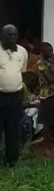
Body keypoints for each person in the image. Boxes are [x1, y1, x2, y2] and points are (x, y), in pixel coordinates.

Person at [0, 25, 28, 167]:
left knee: (13, 128)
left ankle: (12, 159)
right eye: (9, 35)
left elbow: (21, 71)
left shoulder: (22, 52)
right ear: (2, 36)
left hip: (15, 96)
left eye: (14, 35)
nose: (12, 38)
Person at [36, 42, 54, 154]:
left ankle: (49, 145)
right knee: (46, 123)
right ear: (43, 51)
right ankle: (47, 149)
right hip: (46, 95)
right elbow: (50, 79)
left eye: (51, 51)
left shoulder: (50, 62)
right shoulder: (41, 63)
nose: (51, 53)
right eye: (49, 51)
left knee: (52, 121)